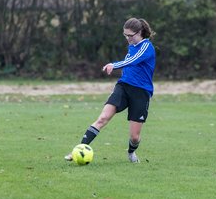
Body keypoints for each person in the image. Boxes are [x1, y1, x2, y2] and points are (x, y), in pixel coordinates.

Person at [65, 17, 156, 163]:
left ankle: (131, 153)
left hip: (141, 92)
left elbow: (133, 61)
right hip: (123, 87)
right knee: (102, 118)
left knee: (134, 137)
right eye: (125, 35)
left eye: (130, 35)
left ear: (139, 33)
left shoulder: (146, 47)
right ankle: (78, 149)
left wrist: (114, 65)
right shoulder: (131, 45)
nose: (127, 38)